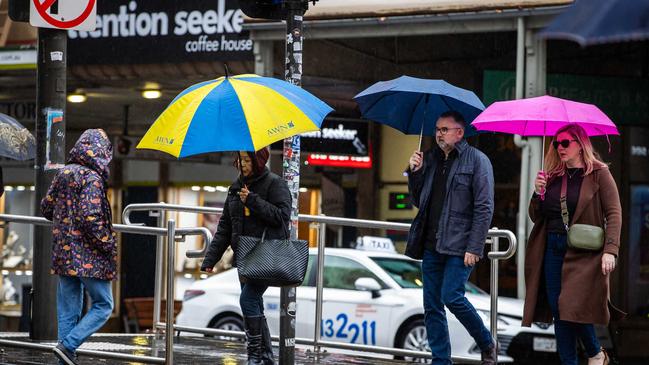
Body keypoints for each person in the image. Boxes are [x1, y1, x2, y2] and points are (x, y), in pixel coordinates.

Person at [523, 124, 624, 365]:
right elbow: (537, 216)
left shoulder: (599, 173)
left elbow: (614, 213)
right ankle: (577, 360)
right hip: (552, 248)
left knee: (571, 307)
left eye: (565, 143)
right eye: (556, 143)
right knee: (560, 312)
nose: (560, 147)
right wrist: (538, 193)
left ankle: (594, 352)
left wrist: (611, 250)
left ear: (581, 145)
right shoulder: (552, 175)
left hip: (583, 253)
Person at [406, 111, 497, 365]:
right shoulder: (431, 159)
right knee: (432, 306)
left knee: (452, 297)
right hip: (431, 243)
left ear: (460, 132)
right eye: (437, 129)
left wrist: (475, 245)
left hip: (461, 245)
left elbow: (484, 207)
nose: (438, 134)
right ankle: (440, 360)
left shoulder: (478, 161)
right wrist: (415, 173)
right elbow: (418, 200)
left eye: (444, 129)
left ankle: (487, 342)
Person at [201, 147, 290, 365]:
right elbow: (224, 227)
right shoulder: (236, 187)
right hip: (245, 257)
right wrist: (210, 260)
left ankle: (254, 357)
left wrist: (252, 200)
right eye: (240, 160)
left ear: (259, 161)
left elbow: (282, 217)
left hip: (267, 255)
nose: (243, 164)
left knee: (248, 299)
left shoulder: (274, 183)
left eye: (247, 160)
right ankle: (266, 358)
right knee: (254, 304)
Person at [41, 129, 116, 365]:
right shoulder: (92, 178)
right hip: (88, 257)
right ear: (101, 152)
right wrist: (107, 242)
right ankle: (69, 345)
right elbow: (90, 217)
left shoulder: (63, 173)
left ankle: (64, 358)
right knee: (104, 305)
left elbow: (46, 207)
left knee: (68, 311)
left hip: (63, 254)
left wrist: (66, 221)